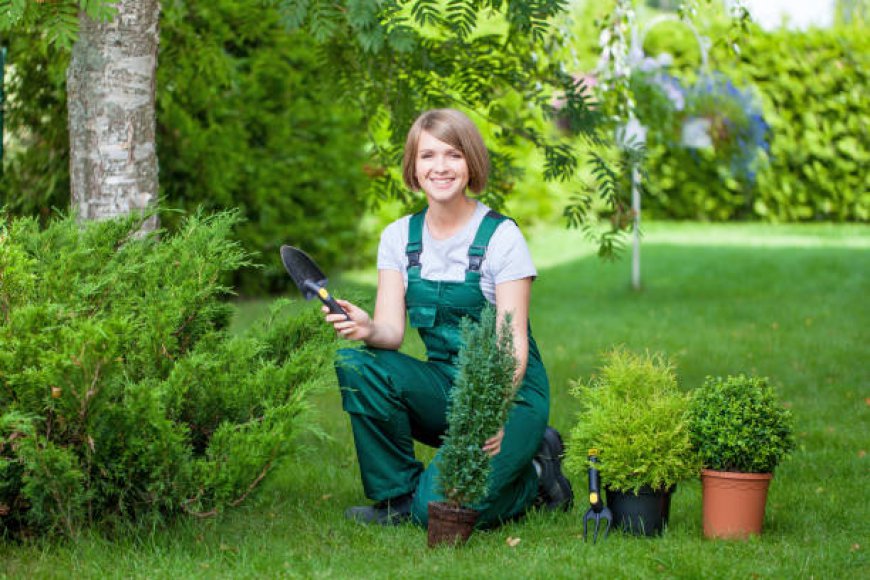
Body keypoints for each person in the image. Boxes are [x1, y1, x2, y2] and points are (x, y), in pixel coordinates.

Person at [324, 108, 573, 528]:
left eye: (453, 155)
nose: (440, 167)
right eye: (428, 156)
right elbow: (391, 333)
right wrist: (367, 328)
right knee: (357, 363)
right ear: (413, 167)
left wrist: (489, 411)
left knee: (437, 513)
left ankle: (536, 475)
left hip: (509, 397)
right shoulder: (399, 237)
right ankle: (397, 497)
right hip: (446, 388)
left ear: (470, 163)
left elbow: (511, 345)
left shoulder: (500, 237)